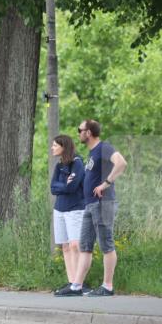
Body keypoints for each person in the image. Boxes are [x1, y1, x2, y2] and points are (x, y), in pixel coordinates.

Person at [56, 120, 127, 297]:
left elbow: (121, 163)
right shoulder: (92, 153)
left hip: (102, 204)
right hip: (89, 204)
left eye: (79, 130)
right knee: (85, 246)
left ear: (88, 133)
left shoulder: (104, 147)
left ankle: (107, 286)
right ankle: (76, 286)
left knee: (106, 244)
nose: (78, 133)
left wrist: (106, 183)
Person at [49, 135, 85, 294]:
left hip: (75, 209)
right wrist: (65, 184)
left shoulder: (77, 163)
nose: (52, 148)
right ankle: (71, 283)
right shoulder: (59, 165)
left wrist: (62, 186)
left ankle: (78, 283)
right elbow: (53, 187)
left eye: (55, 145)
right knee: (65, 246)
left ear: (64, 147)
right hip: (59, 209)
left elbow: (73, 187)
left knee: (75, 245)